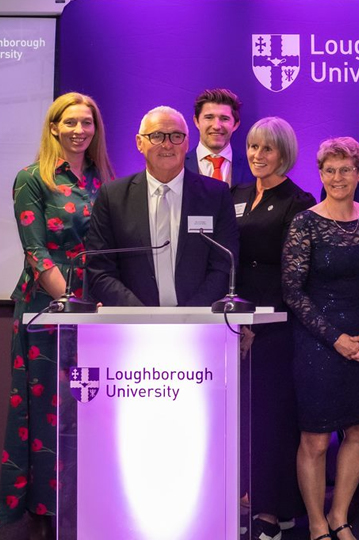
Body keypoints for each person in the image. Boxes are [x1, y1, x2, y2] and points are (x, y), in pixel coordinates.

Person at [0, 92, 114, 536]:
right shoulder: (32, 178)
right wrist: (75, 305)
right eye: (70, 123)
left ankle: (88, 500)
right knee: (49, 408)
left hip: (98, 310)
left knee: (90, 409)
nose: (79, 131)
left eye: (87, 123)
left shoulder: (106, 182)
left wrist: (100, 307)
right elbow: (36, 253)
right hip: (47, 312)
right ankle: (47, 508)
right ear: (53, 128)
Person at [281, 136, 359, 540]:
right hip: (318, 343)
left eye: (346, 169)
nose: (338, 177)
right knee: (316, 439)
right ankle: (317, 522)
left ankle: (340, 515)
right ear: (320, 173)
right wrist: (336, 337)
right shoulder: (305, 222)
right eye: (330, 170)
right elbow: (293, 291)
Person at [232, 117, 315, 540]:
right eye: (251, 147)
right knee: (241, 418)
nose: (257, 155)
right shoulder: (236, 194)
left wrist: (257, 327)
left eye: (267, 148)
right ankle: (258, 501)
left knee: (271, 420)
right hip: (232, 319)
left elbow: (294, 275)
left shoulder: (298, 201)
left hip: (275, 324)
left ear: (284, 153)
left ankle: (270, 510)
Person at [85, 106, 238, 307]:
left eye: (176, 136)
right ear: (139, 143)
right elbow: (100, 270)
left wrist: (188, 317)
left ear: (187, 143)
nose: (167, 145)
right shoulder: (113, 197)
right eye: (157, 136)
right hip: (131, 326)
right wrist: (142, 316)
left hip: (200, 325)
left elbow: (224, 267)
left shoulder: (216, 195)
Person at [184, 88, 255, 186]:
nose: (216, 126)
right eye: (209, 117)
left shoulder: (252, 167)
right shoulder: (178, 166)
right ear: (196, 121)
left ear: (235, 124)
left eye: (224, 118)